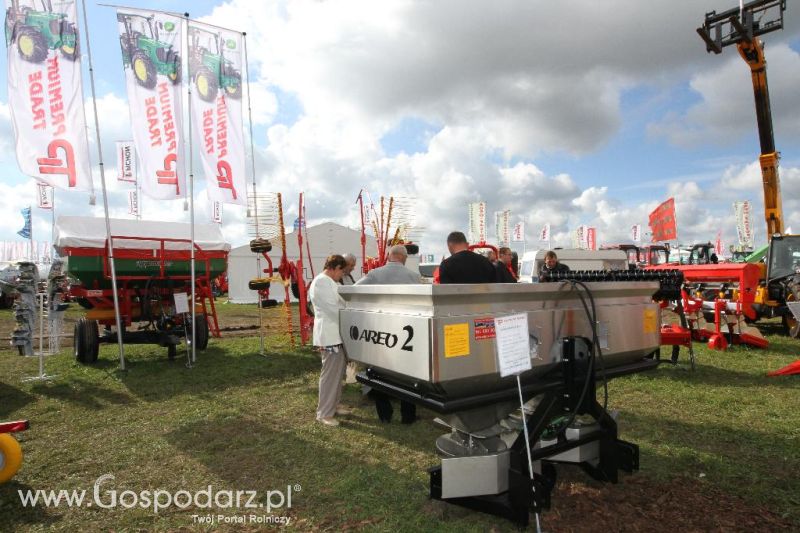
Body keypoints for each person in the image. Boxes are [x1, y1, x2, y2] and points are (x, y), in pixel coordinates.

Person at [356, 245, 421, 423]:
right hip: (407, 331)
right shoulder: (414, 277)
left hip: (381, 330)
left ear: (389, 256)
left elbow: (354, 290)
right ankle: (408, 416)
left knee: (379, 373)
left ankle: (385, 415)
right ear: (404, 258)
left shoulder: (374, 274)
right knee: (407, 374)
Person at [309, 254, 351, 427]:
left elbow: (340, 304)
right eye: (342, 272)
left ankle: (333, 406)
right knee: (330, 375)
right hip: (330, 335)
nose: (342, 276)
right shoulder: (321, 282)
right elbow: (334, 308)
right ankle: (324, 413)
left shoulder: (328, 282)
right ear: (336, 268)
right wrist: (351, 315)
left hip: (335, 334)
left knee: (337, 373)